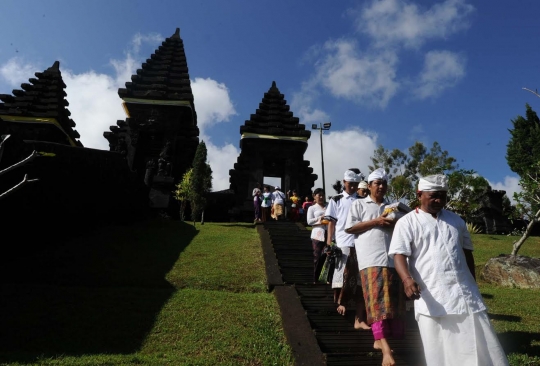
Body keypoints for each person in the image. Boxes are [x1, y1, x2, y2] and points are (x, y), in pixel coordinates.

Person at [389, 174, 509, 366]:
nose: (439, 200)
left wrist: (472, 283)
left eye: (443, 196)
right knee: (438, 346)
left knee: (478, 342)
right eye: (434, 196)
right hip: (431, 294)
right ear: (420, 195)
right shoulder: (407, 222)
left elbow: (466, 253)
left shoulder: (457, 221)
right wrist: (406, 280)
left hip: (464, 293)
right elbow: (399, 255)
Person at [344, 168, 405, 366]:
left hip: (392, 260)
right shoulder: (359, 204)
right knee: (376, 303)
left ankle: (380, 341)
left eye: (384, 183)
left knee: (391, 306)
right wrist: (376, 221)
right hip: (370, 260)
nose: (381, 186)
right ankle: (385, 349)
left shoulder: (392, 207)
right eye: (377, 183)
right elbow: (351, 228)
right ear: (369, 186)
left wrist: (393, 223)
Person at [325, 169, 370, 330]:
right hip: (342, 242)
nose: (352, 187)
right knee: (341, 275)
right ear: (344, 182)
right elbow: (332, 223)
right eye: (350, 184)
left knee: (360, 279)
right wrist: (329, 242)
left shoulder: (363, 200)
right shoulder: (336, 200)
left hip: (360, 243)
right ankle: (340, 303)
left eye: (355, 184)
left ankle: (359, 318)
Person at [306, 188, 327, 283]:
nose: (321, 197)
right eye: (319, 195)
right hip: (317, 235)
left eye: (323, 195)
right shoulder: (312, 208)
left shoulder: (328, 206)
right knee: (317, 256)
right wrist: (320, 218)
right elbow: (309, 221)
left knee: (328, 256)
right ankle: (315, 278)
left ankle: (327, 278)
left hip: (329, 233)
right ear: (314, 196)